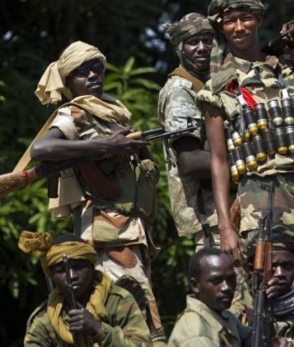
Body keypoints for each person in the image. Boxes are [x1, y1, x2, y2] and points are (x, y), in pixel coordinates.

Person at [25, 41, 166, 343]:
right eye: (82, 71)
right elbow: (42, 148)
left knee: (139, 315)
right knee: (128, 318)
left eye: (97, 68)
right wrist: (106, 145)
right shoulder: (75, 113)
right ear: (68, 81)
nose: (92, 75)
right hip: (106, 234)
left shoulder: (111, 112)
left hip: (128, 231)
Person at [197, 0, 294, 291]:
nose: (239, 27)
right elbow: (219, 161)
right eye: (230, 21)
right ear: (222, 27)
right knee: (271, 279)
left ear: (259, 19)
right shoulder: (218, 89)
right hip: (260, 191)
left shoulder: (287, 70)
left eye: (246, 18)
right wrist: (224, 226)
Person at [159, 12, 224, 249]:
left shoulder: (216, 84)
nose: (202, 48)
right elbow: (191, 161)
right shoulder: (180, 90)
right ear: (179, 48)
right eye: (192, 42)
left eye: (208, 40)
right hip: (211, 218)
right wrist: (250, 162)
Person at [20, 231, 152, 346]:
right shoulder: (44, 319)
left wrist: (99, 329)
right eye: (61, 271)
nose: (71, 276)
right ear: (51, 276)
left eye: (78, 267)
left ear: (91, 267)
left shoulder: (118, 302)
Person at [168, 247, 251, 346]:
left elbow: (250, 338)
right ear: (195, 285)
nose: (226, 287)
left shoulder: (220, 313)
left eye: (230, 279)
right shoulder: (198, 335)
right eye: (216, 281)